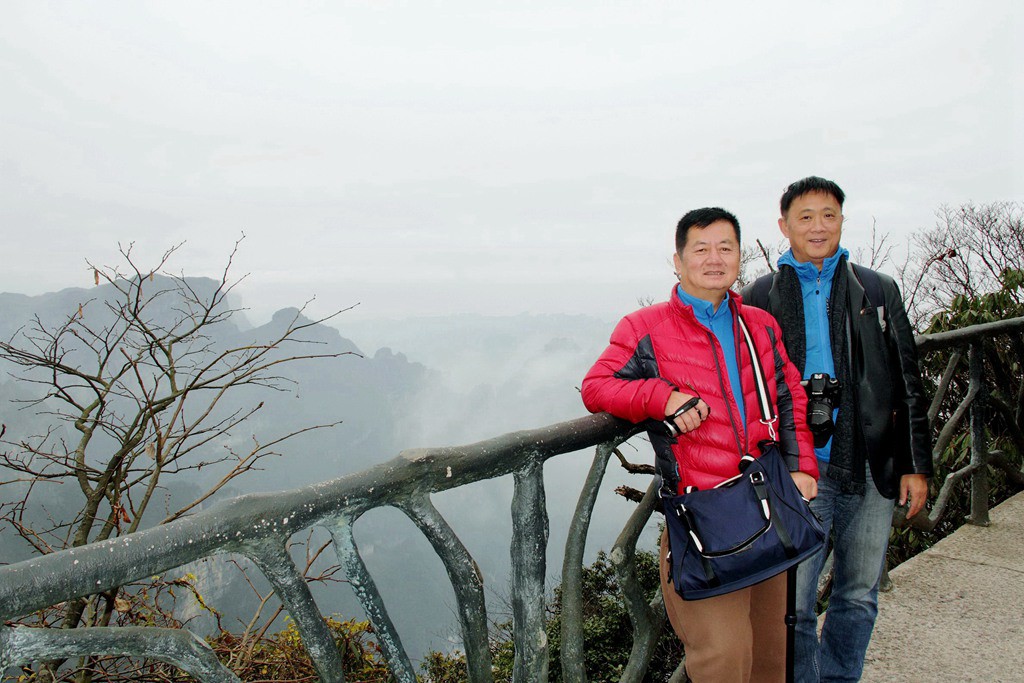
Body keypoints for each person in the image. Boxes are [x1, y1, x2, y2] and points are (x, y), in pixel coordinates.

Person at [581, 207, 818, 682]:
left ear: (740, 256)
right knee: (722, 657)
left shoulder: (759, 325)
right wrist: (659, 396)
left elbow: (790, 395)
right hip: (703, 518)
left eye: (726, 247)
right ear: (678, 260)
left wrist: (803, 468)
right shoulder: (643, 327)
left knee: (773, 650)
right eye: (701, 249)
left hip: (768, 502)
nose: (715, 258)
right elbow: (596, 386)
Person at [741, 176, 933, 682]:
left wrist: (916, 466)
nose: (818, 226)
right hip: (798, 469)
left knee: (858, 594)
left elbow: (907, 382)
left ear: (843, 220)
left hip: (872, 466)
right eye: (805, 217)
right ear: (783, 226)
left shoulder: (876, 289)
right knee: (796, 607)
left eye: (828, 214)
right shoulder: (760, 296)